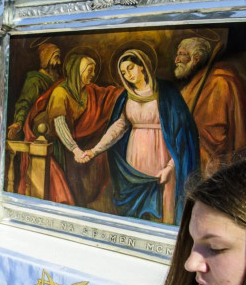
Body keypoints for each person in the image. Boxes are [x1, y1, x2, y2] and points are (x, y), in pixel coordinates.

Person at [81, 48, 199, 225]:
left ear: (142, 66)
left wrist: (169, 167)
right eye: (123, 72)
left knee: (163, 207)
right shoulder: (126, 97)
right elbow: (119, 127)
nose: (127, 75)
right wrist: (94, 150)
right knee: (136, 214)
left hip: (162, 158)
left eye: (130, 68)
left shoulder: (166, 93)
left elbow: (181, 136)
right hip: (134, 160)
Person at [19, 52, 122, 209]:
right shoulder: (60, 92)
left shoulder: (88, 90)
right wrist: (75, 149)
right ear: (78, 71)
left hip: (77, 147)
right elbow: (60, 124)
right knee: (66, 189)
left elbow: (108, 95)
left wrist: (130, 92)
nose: (93, 74)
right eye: (89, 70)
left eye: (94, 70)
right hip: (60, 148)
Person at [174, 37, 246, 174]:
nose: (176, 60)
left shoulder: (220, 82)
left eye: (181, 54)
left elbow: (216, 133)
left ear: (195, 59)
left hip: (212, 166)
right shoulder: (192, 85)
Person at [8, 42, 61, 140]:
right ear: (47, 58)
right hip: (39, 129)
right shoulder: (35, 80)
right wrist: (19, 122)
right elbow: (25, 102)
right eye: (56, 57)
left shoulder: (57, 80)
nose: (59, 62)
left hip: (56, 129)